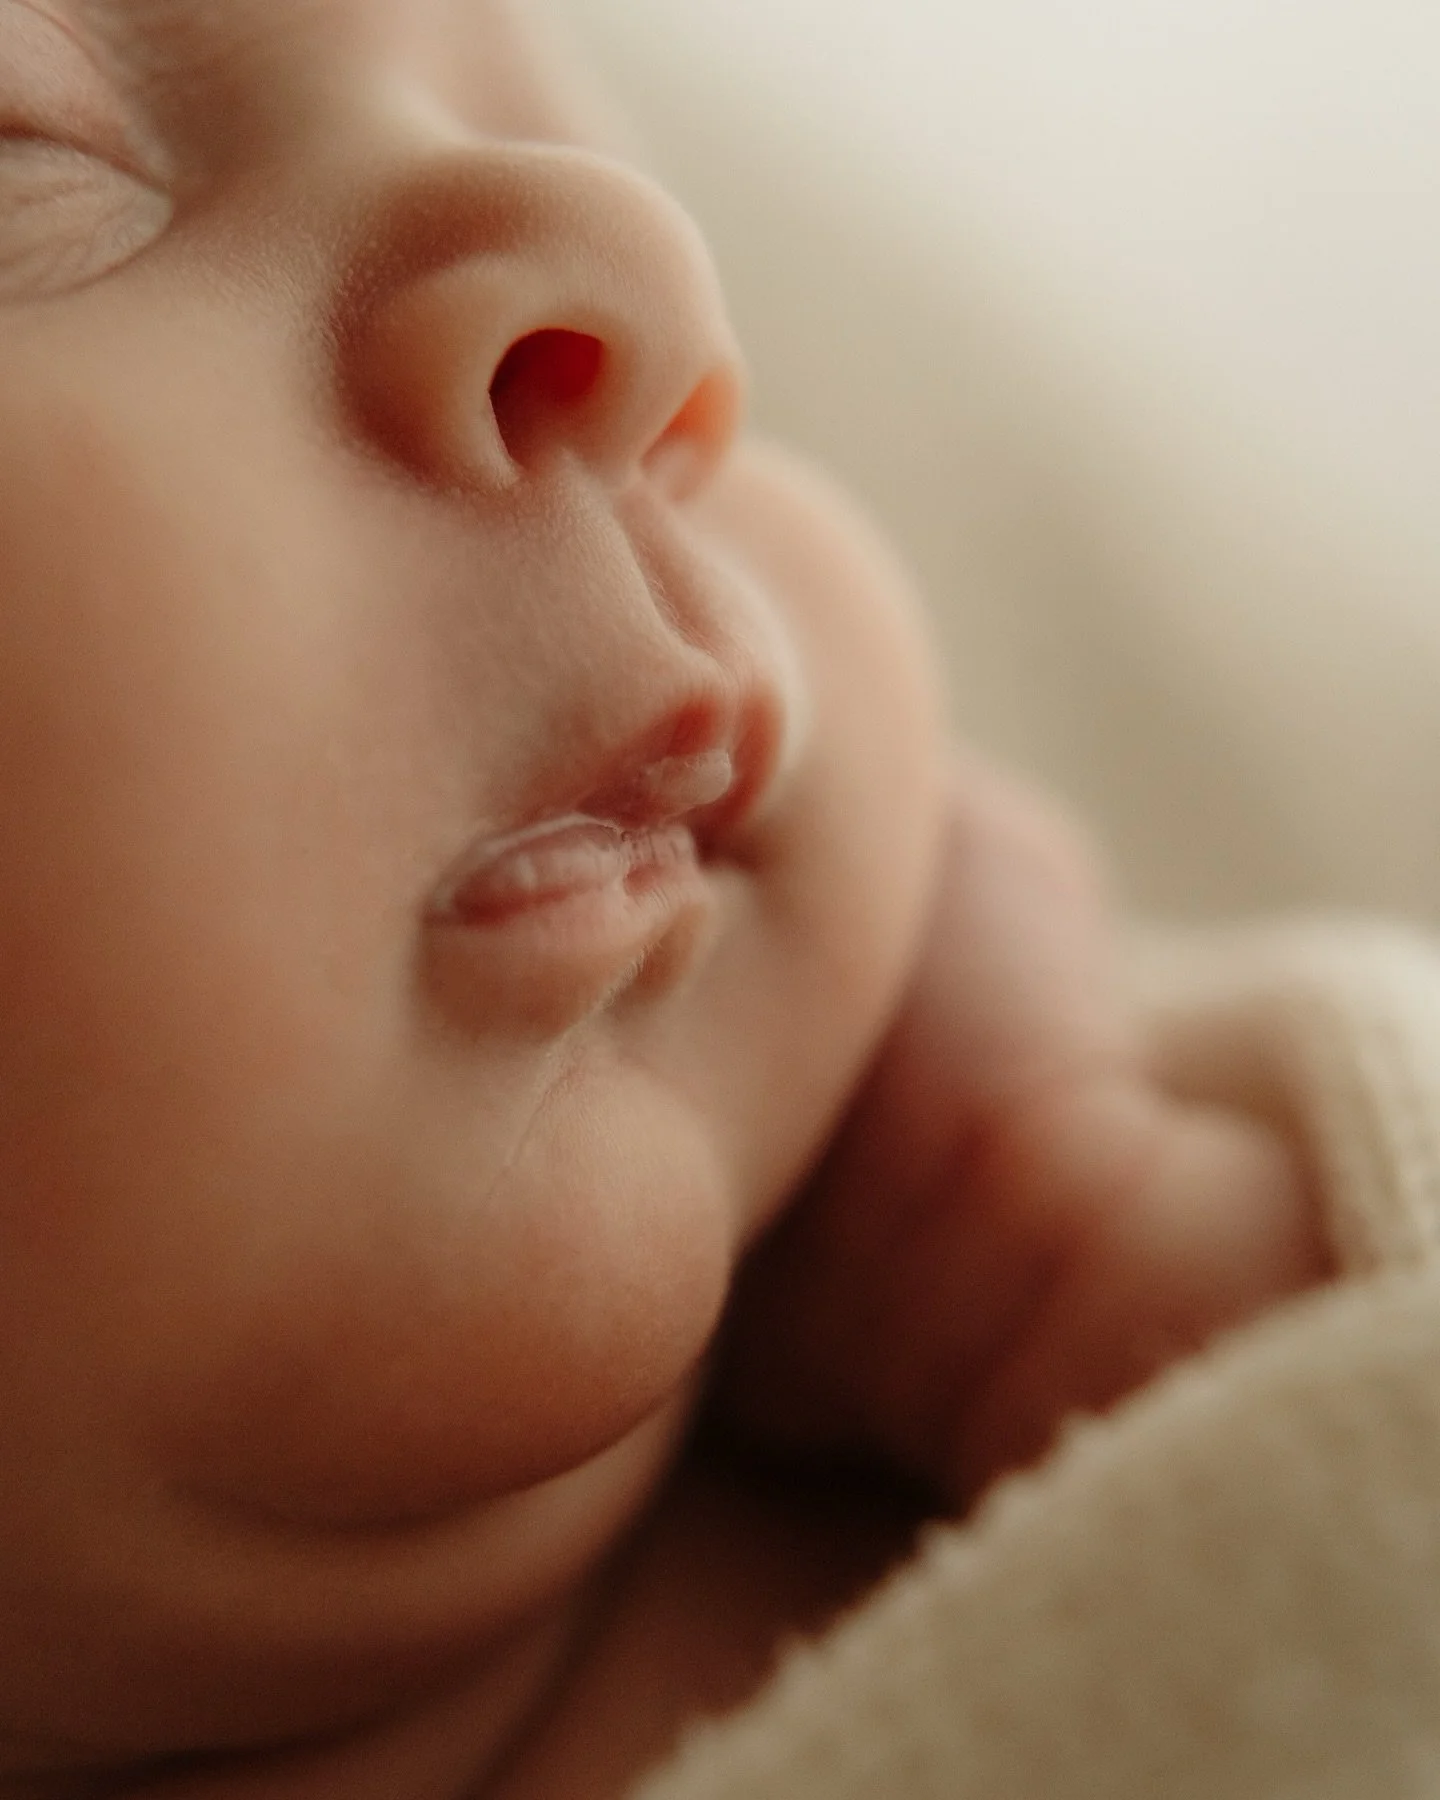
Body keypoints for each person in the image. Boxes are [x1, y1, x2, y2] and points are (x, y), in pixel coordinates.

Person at [0, 0, 1328, 1793]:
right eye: (30, 151)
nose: (645, 271)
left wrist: (1105, 1264)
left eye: (617, 161)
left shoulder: (1117, 1283)